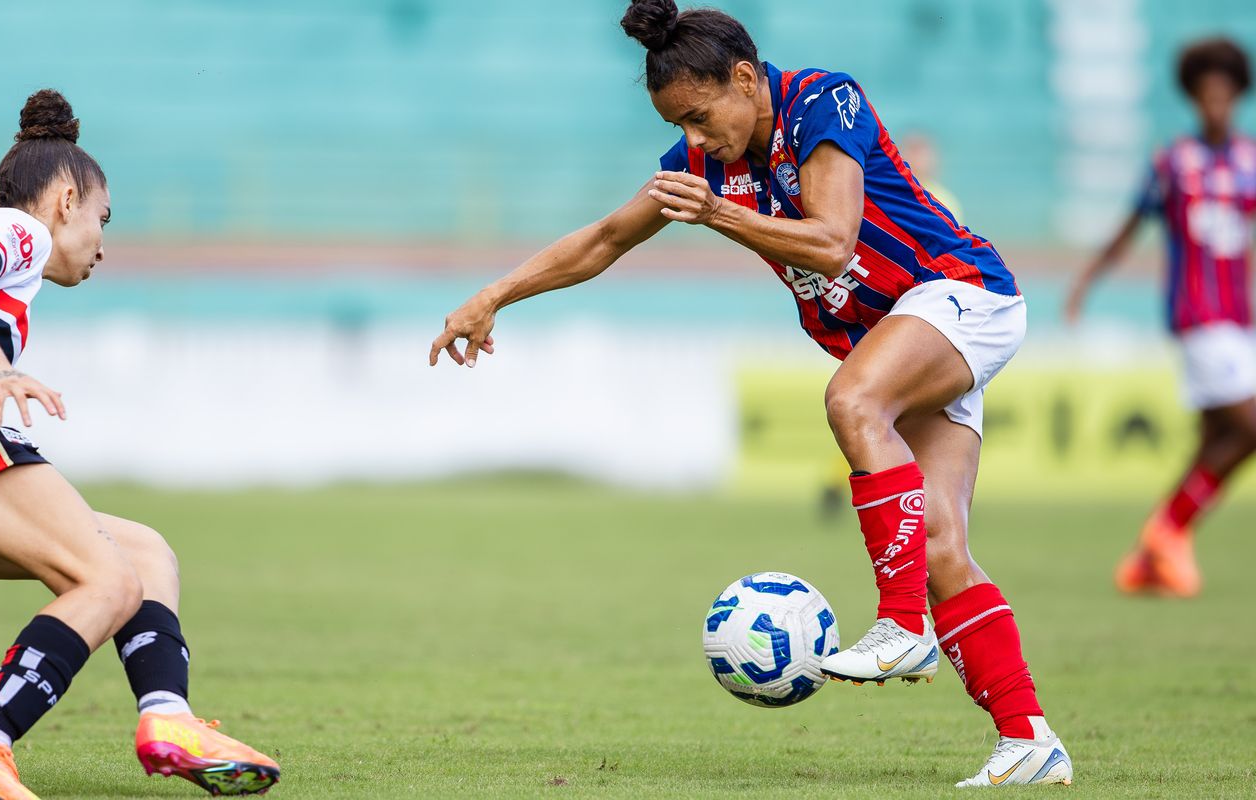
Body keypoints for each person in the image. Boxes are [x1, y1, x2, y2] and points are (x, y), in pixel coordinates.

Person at [428, 1, 1070, 788]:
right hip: (906, 338)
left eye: (701, 119)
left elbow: (834, 243)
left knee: (852, 401)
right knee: (939, 551)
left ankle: (902, 627)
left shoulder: (823, 101)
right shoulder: (707, 164)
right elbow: (604, 239)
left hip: (958, 294)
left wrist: (719, 213)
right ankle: (1028, 736)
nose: (695, 142)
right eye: (681, 129)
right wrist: (495, 294)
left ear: (743, 78)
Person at [0, 89, 279, 799]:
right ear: (66, 197)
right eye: (102, 218)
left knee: (143, 554)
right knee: (107, 581)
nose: (102, 242)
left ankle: (169, 718)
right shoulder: (20, 231)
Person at [1067, 37, 1256, 599]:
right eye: (1206, 94)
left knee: (1214, 441)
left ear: (1237, 95)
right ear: (1195, 98)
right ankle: (1167, 529)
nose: (1215, 104)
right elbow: (1129, 230)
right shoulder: (1173, 162)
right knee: (1248, 426)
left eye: (1224, 93)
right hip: (1198, 317)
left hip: (1239, 320)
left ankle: (1149, 561)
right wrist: (1085, 284)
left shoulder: (1250, 160)